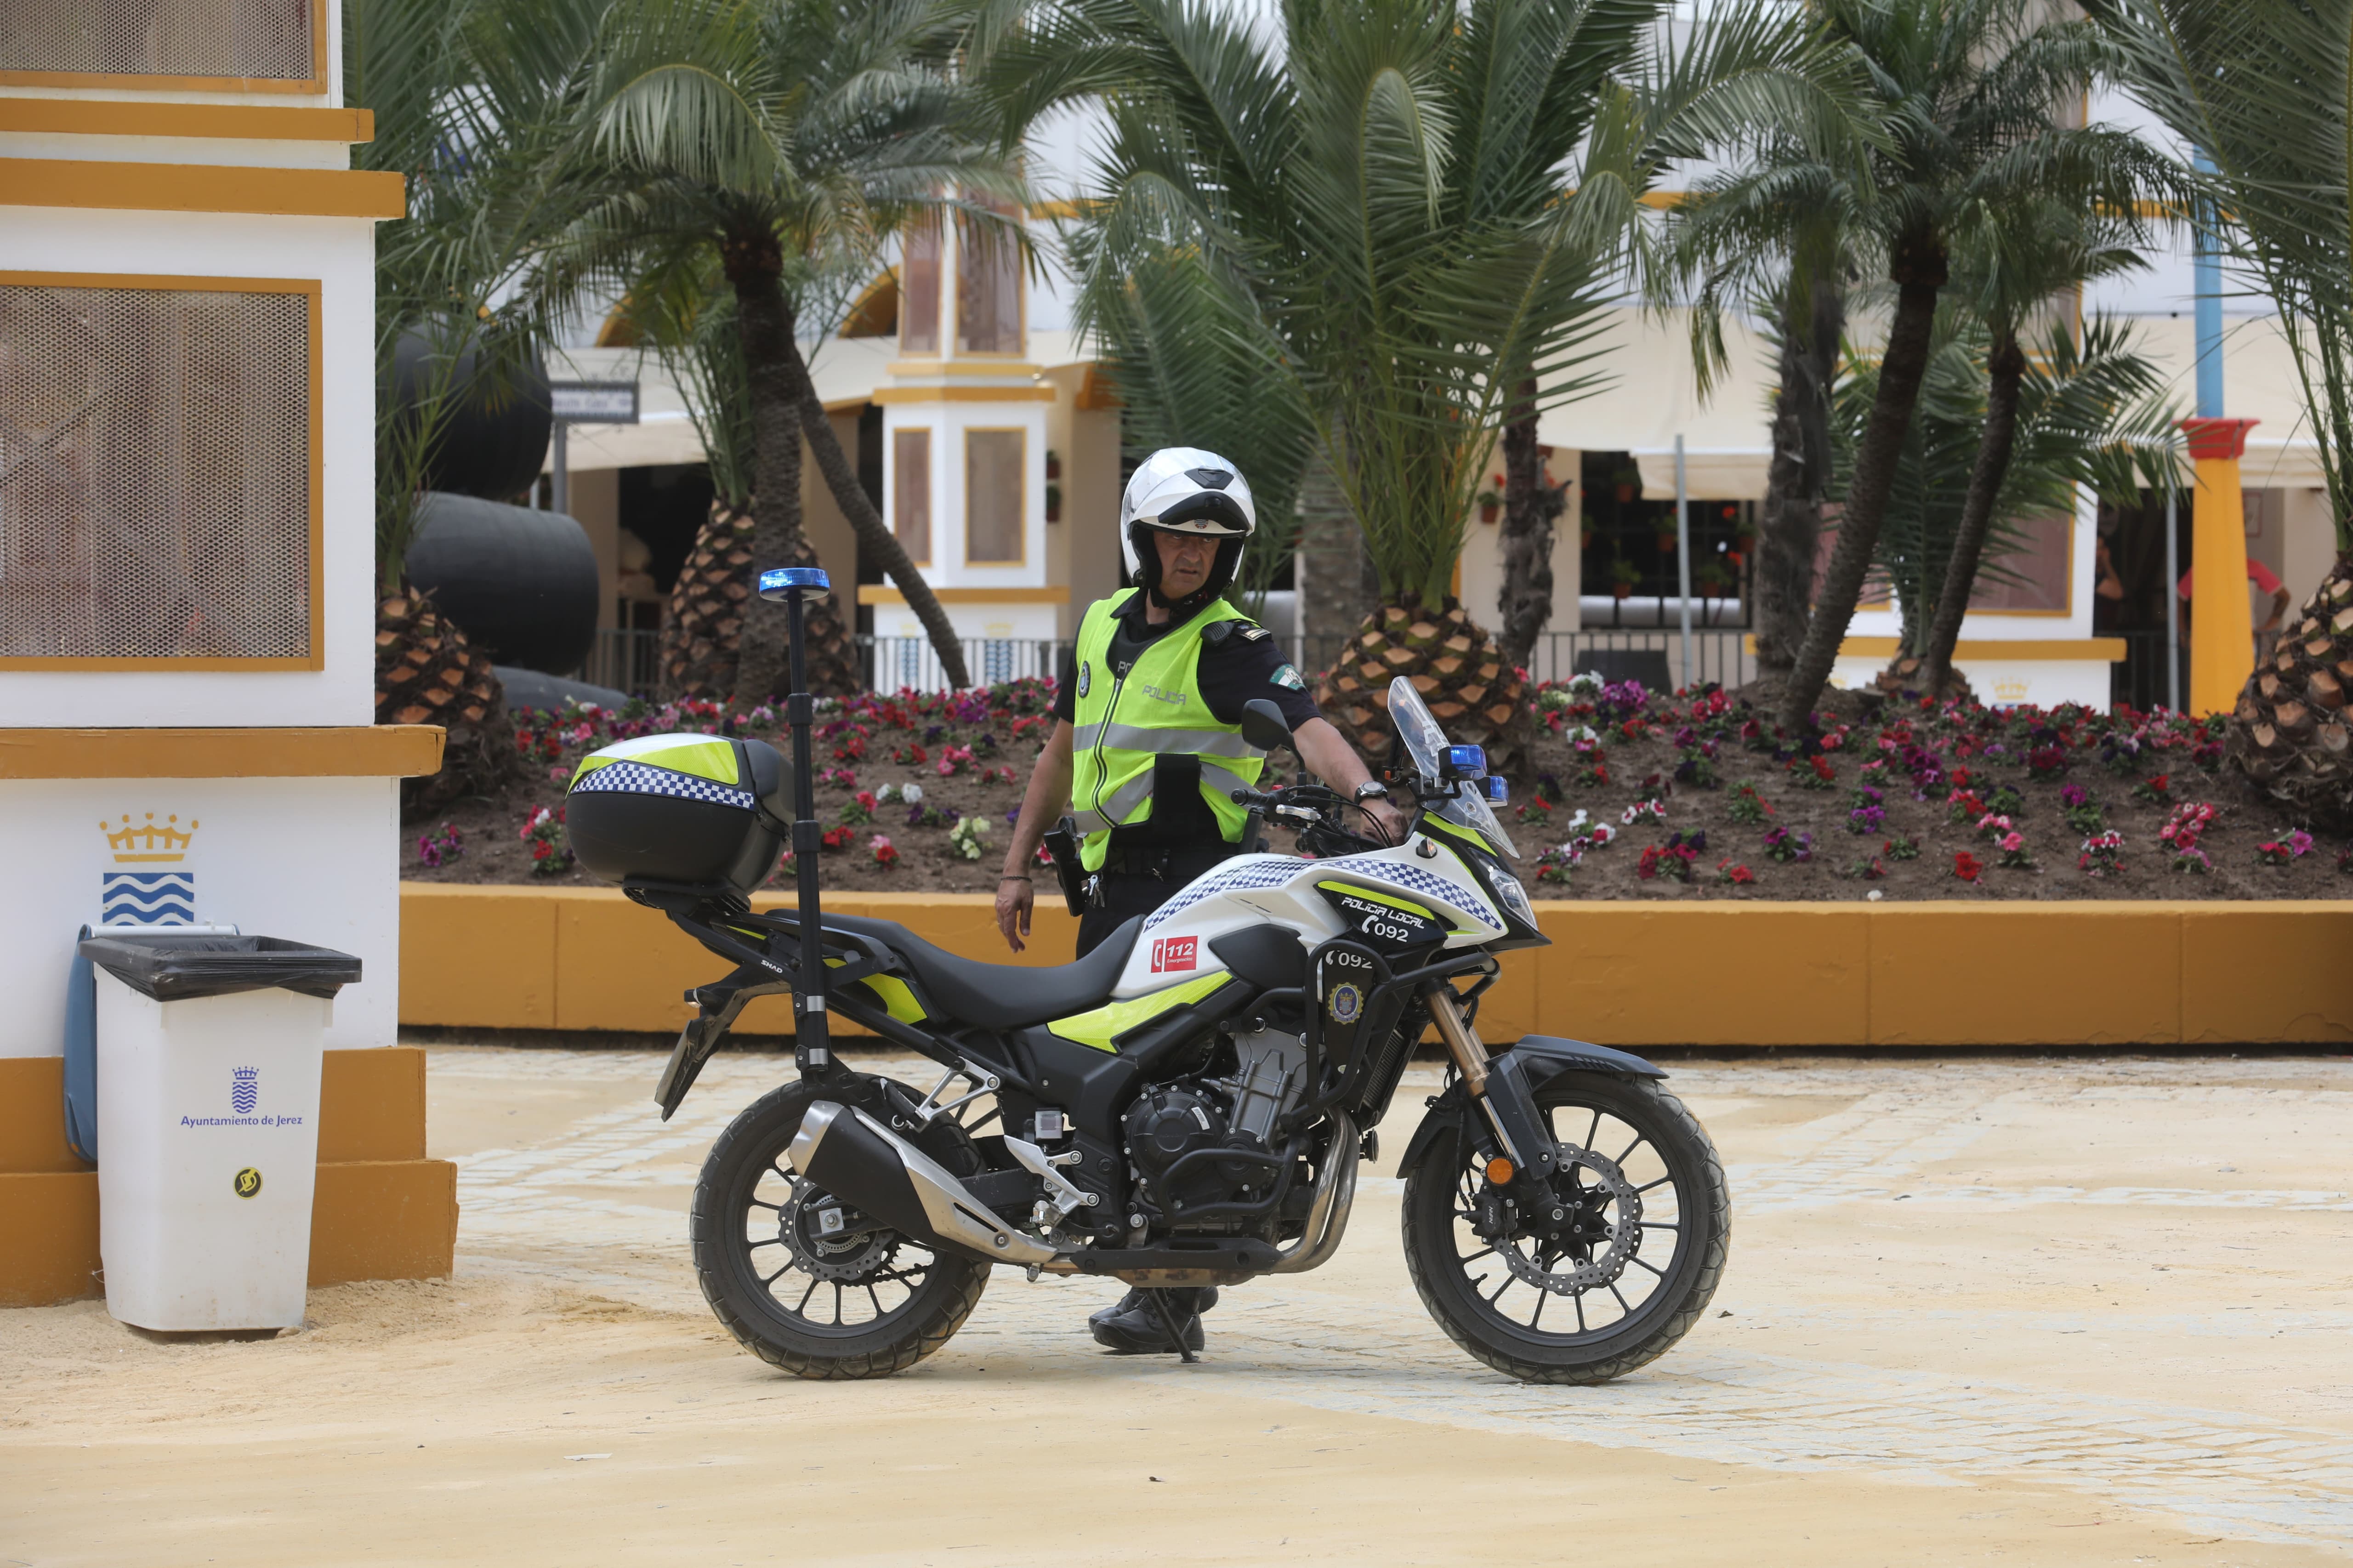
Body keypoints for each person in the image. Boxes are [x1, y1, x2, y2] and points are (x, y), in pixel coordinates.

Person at [994, 447, 1404, 1355]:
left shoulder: (1233, 646)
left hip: (1191, 888)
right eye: (1180, 537)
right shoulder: (1101, 624)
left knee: (1182, 1082)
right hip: (1107, 892)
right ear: (1143, 538)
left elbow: (1309, 727)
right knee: (1100, 1082)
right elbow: (1060, 752)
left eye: (1214, 545)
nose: (1195, 555)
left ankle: (1171, 1295)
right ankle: (1134, 1260)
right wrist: (1017, 862)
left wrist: (1366, 794)